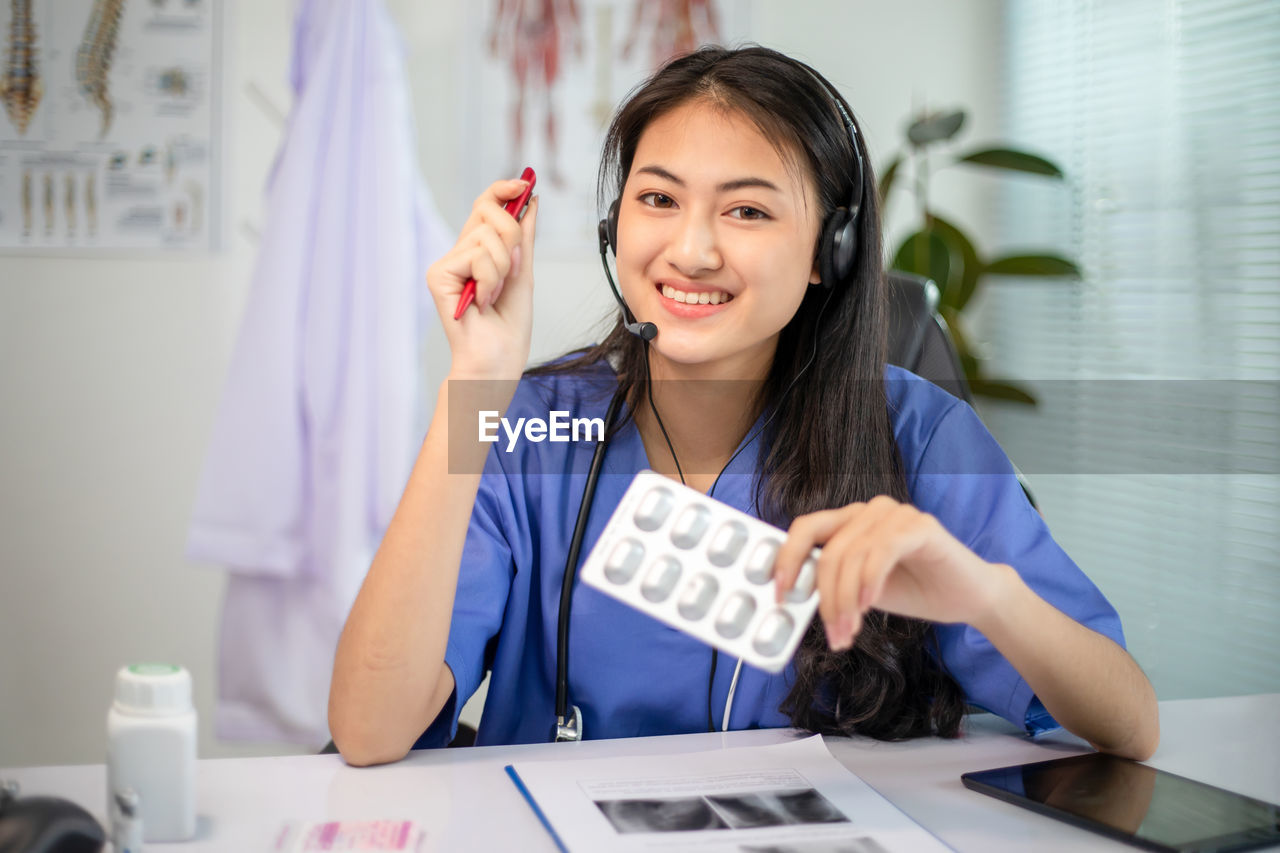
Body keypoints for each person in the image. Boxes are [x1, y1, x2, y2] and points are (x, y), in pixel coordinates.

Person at [327, 46, 1159, 767]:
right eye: (658, 199)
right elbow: (368, 730)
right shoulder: (531, 424)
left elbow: (1129, 721)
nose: (691, 249)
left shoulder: (916, 433)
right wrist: (475, 377)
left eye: (748, 210)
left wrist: (985, 594)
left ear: (826, 252)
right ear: (616, 227)